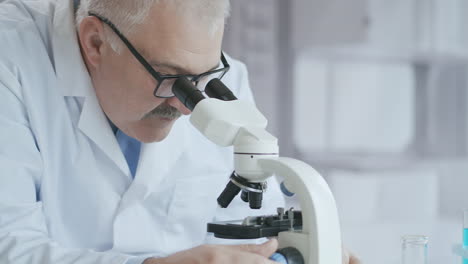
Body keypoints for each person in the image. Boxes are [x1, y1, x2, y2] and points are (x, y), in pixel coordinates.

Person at [0, 0, 360, 263]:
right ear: (96, 43)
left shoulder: (226, 76)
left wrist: (303, 251)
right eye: (169, 77)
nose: (188, 106)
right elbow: (8, 245)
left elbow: (251, 234)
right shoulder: (11, 61)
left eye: (203, 79)